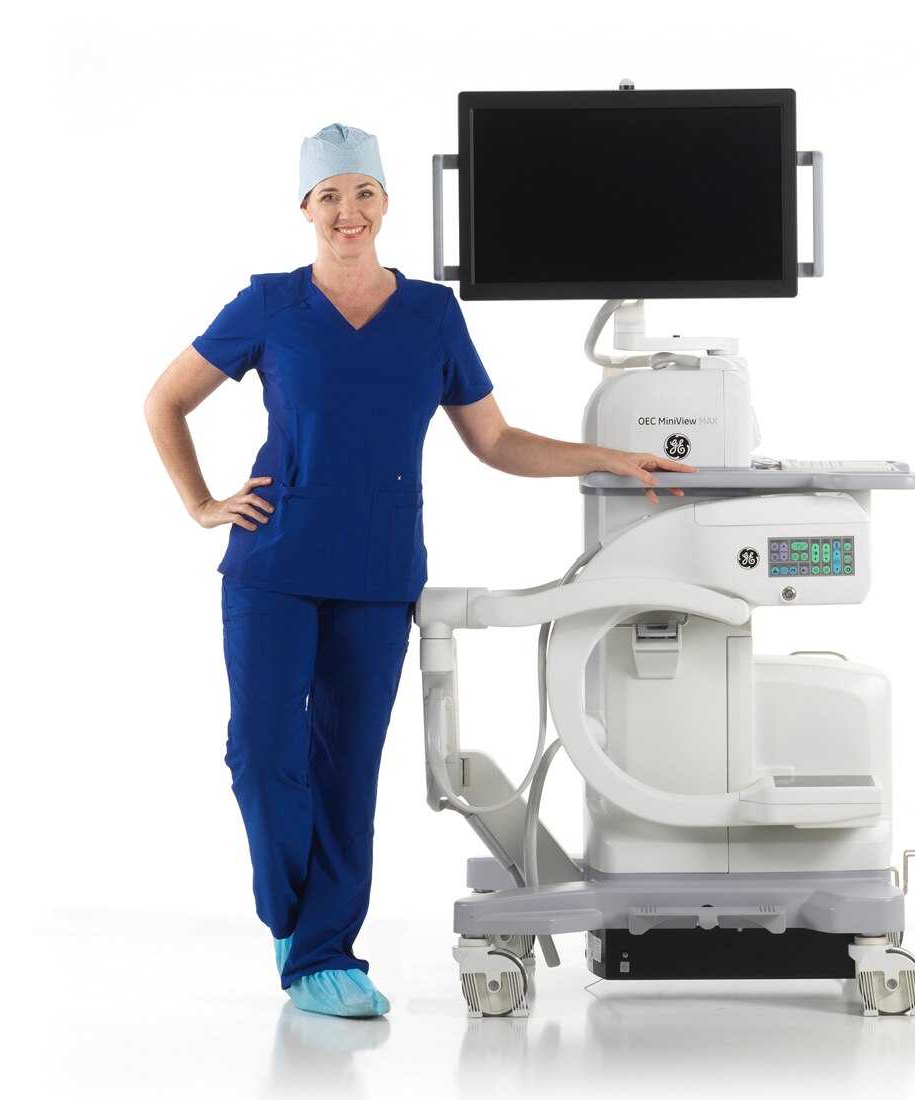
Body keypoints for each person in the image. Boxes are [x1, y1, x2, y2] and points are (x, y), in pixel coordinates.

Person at [143, 123, 693, 1019]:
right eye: (330, 196)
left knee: (347, 770)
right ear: (305, 209)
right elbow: (165, 399)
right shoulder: (270, 305)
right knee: (262, 757)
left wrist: (607, 457)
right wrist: (202, 503)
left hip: (377, 572)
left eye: (363, 193)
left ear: (386, 203)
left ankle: (326, 956)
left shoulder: (432, 315)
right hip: (273, 565)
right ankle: (292, 916)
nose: (348, 212)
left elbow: (496, 441)